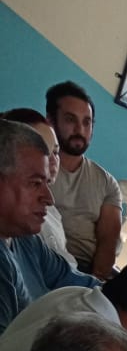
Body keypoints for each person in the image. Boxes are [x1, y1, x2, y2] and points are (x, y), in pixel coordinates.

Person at [0, 118, 97, 332]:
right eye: (35, 183)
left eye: (46, 183)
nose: (49, 198)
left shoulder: (26, 240)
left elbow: (69, 279)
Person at [45, 80, 122, 279]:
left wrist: (90, 285)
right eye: (70, 120)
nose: (80, 130)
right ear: (50, 121)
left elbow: (108, 243)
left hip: (85, 272)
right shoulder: (34, 167)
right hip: (39, 261)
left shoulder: (106, 183)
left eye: (87, 122)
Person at [1, 108, 75, 266]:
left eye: (55, 152)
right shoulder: (24, 223)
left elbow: (63, 272)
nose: (52, 161)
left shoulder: (49, 216)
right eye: (43, 151)